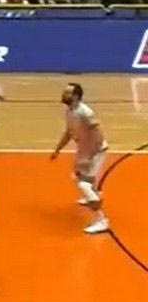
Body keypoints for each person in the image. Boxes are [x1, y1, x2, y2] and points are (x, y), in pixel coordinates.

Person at [50, 83, 109, 234]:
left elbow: (98, 133)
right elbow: (68, 133)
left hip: (96, 152)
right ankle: (92, 196)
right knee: (76, 176)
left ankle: (101, 221)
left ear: (76, 96)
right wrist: (57, 150)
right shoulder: (69, 111)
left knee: (84, 185)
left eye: (67, 92)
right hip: (84, 150)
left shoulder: (85, 112)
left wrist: (92, 154)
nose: (64, 94)